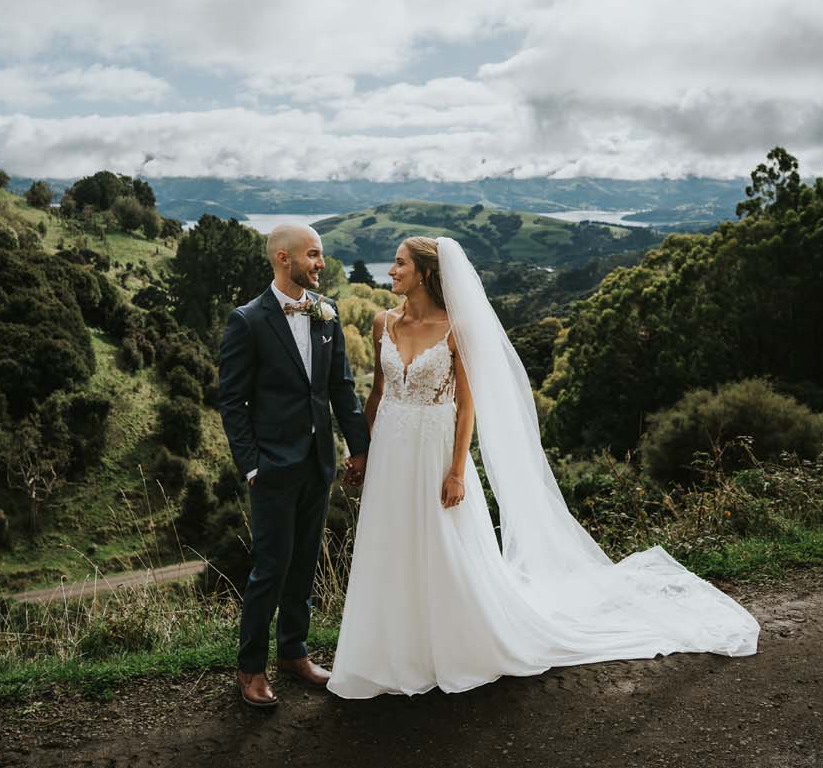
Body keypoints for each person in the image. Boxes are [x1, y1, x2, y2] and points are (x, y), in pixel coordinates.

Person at [328, 236, 759, 699]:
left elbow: (467, 408)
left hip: (434, 451)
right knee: (390, 542)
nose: (390, 272)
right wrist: (361, 451)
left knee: (442, 544)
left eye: (399, 264)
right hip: (391, 449)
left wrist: (457, 471)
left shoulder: (457, 328)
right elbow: (376, 394)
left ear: (426, 273)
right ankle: (386, 651)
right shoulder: (381, 323)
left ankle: (449, 645)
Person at [216, 224, 370, 708]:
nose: (321, 263)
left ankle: (294, 654)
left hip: (318, 463)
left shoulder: (327, 314)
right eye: (314, 255)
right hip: (273, 469)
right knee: (271, 568)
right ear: (284, 258)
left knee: (304, 564)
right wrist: (252, 466)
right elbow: (232, 401)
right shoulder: (248, 321)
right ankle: (250, 669)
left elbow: (341, 388)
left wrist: (359, 448)